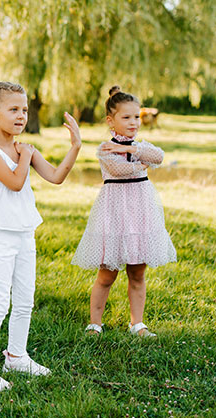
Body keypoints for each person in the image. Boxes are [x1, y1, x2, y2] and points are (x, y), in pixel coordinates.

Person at [0, 81, 81, 394]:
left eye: (24, 110)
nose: (21, 115)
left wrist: (75, 148)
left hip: (24, 233)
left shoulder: (24, 148)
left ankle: (16, 355)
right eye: (13, 109)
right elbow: (15, 182)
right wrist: (25, 155)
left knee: (25, 299)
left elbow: (55, 177)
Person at [71, 86, 176, 337]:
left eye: (137, 117)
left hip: (140, 212)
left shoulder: (139, 146)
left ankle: (137, 323)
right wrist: (141, 163)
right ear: (111, 120)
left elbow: (159, 156)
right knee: (107, 274)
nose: (133, 122)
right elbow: (121, 171)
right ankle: (95, 323)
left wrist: (131, 150)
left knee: (137, 273)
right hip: (115, 214)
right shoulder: (105, 148)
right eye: (126, 117)